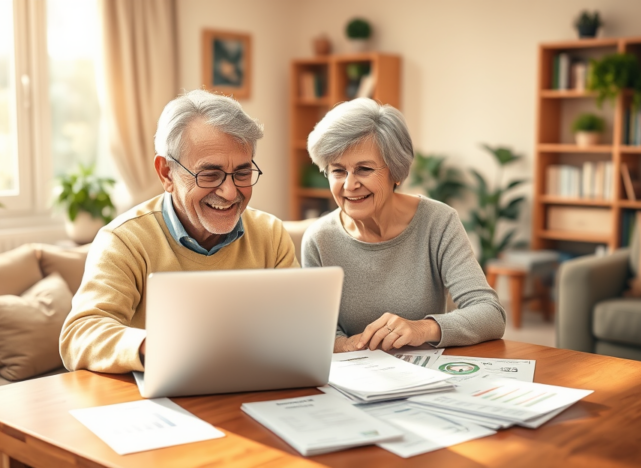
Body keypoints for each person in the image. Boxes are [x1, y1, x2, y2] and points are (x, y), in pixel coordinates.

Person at [60, 90, 299, 373]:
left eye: (242, 174)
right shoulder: (124, 240)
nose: (230, 191)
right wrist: (154, 345)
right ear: (166, 173)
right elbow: (79, 334)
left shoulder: (270, 234)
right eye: (209, 174)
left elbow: (300, 325)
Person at [301, 98, 505, 353]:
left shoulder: (438, 222)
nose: (349, 185)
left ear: (396, 172)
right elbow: (320, 330)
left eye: (364, 169)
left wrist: (422, 328)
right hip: (355, 377)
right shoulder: (319, 239)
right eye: (338, 171)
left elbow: (490, 313)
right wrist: (347, 344)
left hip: (427, 374)